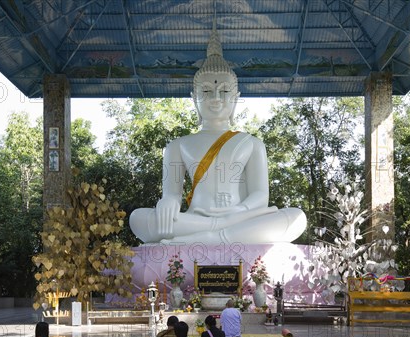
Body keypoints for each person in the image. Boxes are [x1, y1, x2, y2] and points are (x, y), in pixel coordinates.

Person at [129, 29, 306, 245]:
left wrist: (236, 213)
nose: (215, 98)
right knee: (138, 218)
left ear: (236, 98)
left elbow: (260, 196)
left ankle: (211, 237)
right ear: (194, 99)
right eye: (205, 91)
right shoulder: (178, 146)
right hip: (196, 220)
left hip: (239, 218)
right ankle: (218, 234)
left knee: (297, 217)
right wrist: (168, 203)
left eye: (224, 91)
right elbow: (172, 195)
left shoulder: (252, 144)